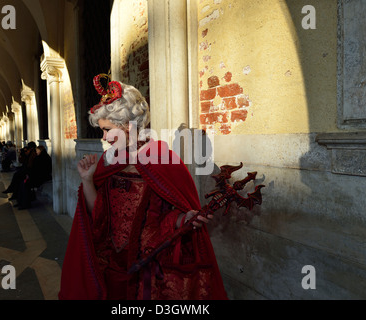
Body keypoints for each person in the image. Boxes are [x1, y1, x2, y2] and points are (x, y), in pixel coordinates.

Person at [58, 75, 227, 300]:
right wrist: (88, 180)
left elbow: (169, 215)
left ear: (128, 126)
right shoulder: (108, 159)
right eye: (102, 131)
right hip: (110, 266)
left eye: (107, 130)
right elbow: (97, 215)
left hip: (147, 269)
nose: (104, 137)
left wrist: (185, 218)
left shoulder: (161, 158)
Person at [16, 145, 52, 210]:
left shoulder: (42, 158)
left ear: (40, 150)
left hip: (41, 178)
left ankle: (25, 203)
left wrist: (29, 175)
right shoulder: (41, 157)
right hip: (38, 176)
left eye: (37, 151)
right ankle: (21, 202)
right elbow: (35, 169)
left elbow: (39, 170)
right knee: (22, 183)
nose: (36, 152)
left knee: (25, 184)